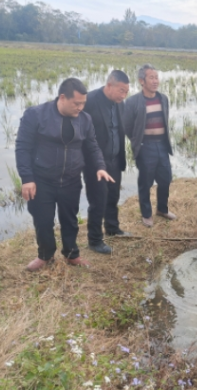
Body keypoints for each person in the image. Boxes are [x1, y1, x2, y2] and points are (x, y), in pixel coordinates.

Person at [16, 78, 114, 272]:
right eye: (76, 103)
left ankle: (71, 254)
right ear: (62, 97)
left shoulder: (85, 119)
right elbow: (22, 147)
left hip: (70, 180)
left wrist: (100, 166)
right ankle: (45, 255)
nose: (80, 108)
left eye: (83, 103)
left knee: (70, 219)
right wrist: (27, 178)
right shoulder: (36, 115)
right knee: (43, 220)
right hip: (42, 180)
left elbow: (92, 147)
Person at [83, 70, 130, 255]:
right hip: (95, 163)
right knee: (97, 201)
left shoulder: (119, 103)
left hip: (115, 159)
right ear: (109, 85)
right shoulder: (89, 101)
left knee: (112, 196)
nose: (123, 95)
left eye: (126, 91)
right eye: (121, 90)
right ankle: (94, 240)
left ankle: (112, 228)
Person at [124, 63, 176, 228]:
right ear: (142, 81)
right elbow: (126, 126)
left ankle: (162, 209)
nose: (155, 81)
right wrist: (137, 140)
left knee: (165, 179)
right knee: (145, 182)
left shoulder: (163, 99)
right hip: (145, 146)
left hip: (162, 145)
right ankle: (146, 214)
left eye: (156, 77)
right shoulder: (132, 102)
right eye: (151, 78)